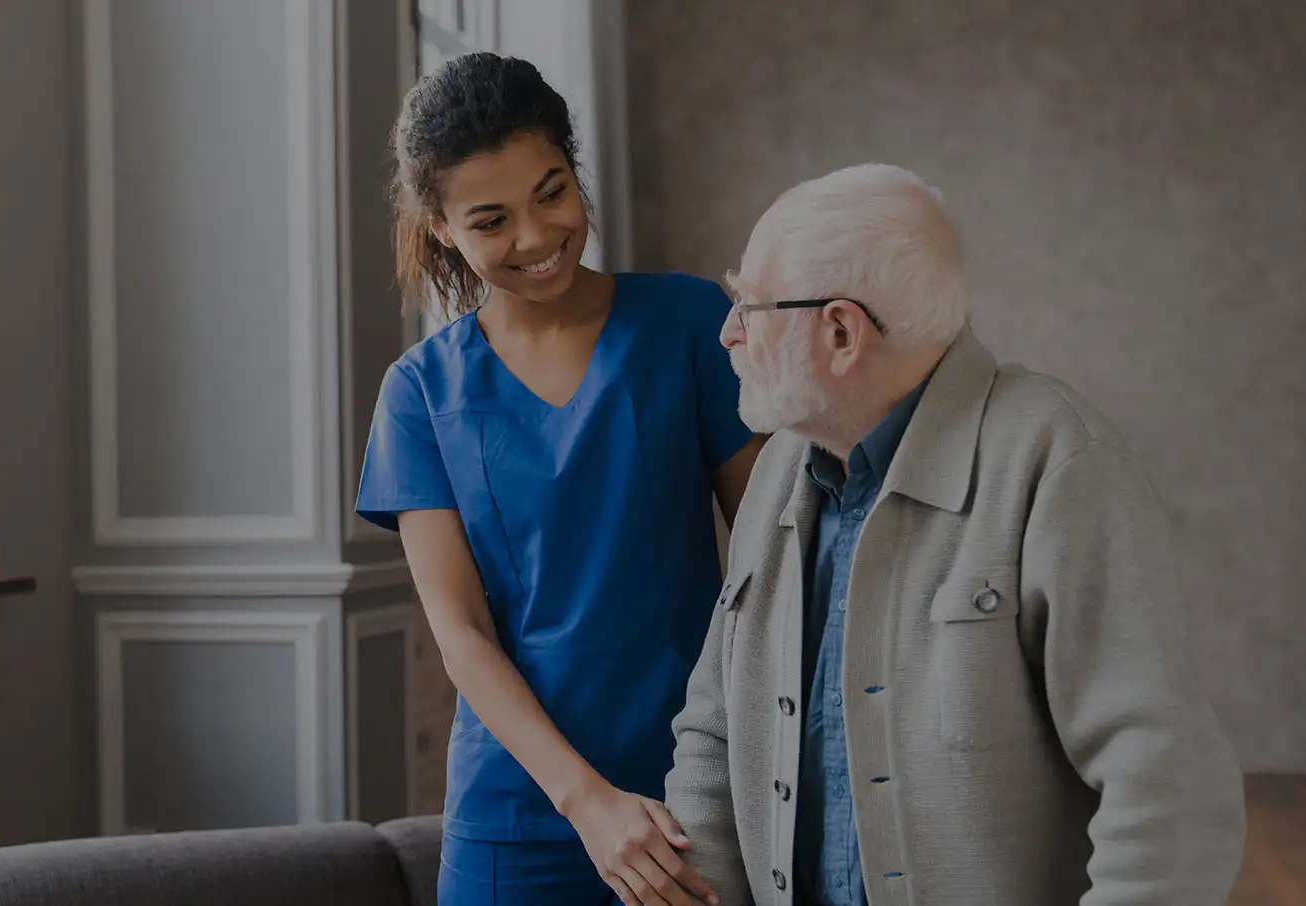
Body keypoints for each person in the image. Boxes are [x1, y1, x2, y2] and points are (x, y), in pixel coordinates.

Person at [664, 162, 1246, 905]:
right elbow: (712, 739)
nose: (729, 332)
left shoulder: (1055, 460)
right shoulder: (780, 468)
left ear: (840, 331)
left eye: (751, 304)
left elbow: (1168, 793)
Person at [355, 52, 764, 906]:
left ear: (575, 172)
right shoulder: (419, 393)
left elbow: (773, 565)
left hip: (694, 794)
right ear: (440, 226)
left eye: (551, 193)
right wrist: (587, 804)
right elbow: (461, 632)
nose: (536, 238)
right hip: (516, 816)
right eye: (492, 218)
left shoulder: (690, 325)